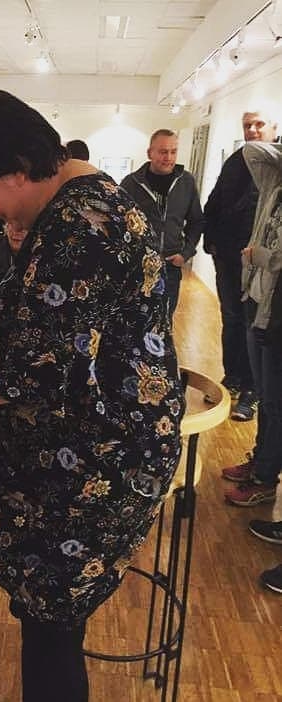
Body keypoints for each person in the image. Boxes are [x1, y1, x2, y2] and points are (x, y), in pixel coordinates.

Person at [0, 90, 185, 702]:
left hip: (108, 449)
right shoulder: (83, 198)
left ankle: (49, 583)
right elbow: (61, 332)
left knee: (48, 619)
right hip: (83, 425)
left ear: (17, 169)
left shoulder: (77, 230)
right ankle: (47, 581)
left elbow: (29, 380)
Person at [203, 109, 278, 421]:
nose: (253, 130)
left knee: (253, 327)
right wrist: (212, 242)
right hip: (229, 257)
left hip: (262, 266)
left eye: (259, 124)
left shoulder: (275, 165)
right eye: (248, 125)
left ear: (274, 127)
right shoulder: (236, 161)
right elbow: (215, 201)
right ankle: (232, 376)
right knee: (231, 319)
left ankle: (251, 390)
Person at [222, 141, 282, 514]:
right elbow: (253, 152)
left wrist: (263, 256)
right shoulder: (275, 186)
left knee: (275, 403)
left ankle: (264, 479)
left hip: (277, 315)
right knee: (265, 397)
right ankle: (259, 461)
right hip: (257, 304)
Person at [121, 129, 204, 317]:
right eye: (163, 152)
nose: (169, 157)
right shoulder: (131, 183)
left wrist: (185, 253)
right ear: (150, 153)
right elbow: (119, 222)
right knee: (135, 320)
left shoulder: (186, 182)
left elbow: (197, 221)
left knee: (165, 319)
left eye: (173, 152)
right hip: (139, 266)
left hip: (170, 266)